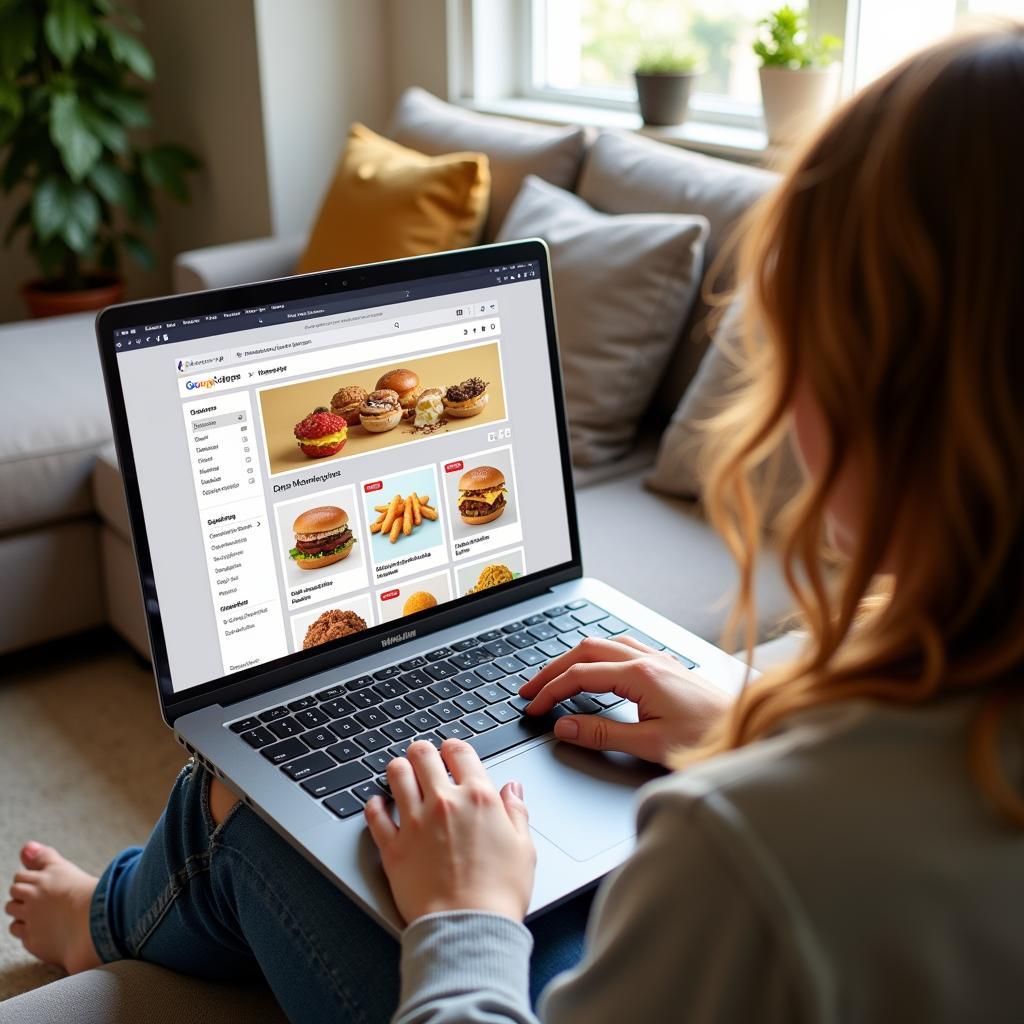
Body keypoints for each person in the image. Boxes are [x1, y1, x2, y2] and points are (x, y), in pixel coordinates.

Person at [7, 24, 1024, 1023]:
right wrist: (750, 725)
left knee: (254, 806)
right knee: (290, 779)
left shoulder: (738, 847)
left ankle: (104, 919)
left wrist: (467, 915)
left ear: (883, 391)